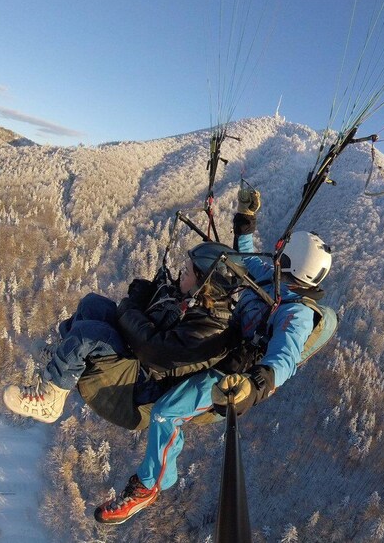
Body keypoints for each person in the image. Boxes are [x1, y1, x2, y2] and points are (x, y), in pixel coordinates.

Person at [93, 187, 333, 525]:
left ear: (293, 261)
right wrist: (245, 223)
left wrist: (256, 385)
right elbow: (245, 262)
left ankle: (149, 485)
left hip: (231, 373)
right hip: (223, 343)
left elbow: (284, 358)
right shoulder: (275, 278)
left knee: (165, 413)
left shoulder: (296, 313)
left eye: (282, 254)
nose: (275, 257)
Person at [2, 241, 241, 428]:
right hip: (139, 362)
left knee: (91, 334)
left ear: (204, 284)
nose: (180, 274)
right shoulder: (196, 303)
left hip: (140, 389)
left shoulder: (210, 331)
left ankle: (50, 400)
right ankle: (65, 359)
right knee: (93, 304)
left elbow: (151, 349)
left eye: (186, 272)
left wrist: (131, 304)